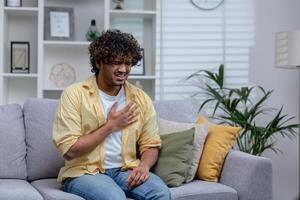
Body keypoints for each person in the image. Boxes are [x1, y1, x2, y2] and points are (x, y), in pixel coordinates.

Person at [52, 29, 170, 200]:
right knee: (114, 197)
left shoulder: (140, 98)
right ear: (99, 62)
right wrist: (110, 126)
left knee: (161, 193)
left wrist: (144, 166)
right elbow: (69, 150)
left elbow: (150, 143)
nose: (123, 69)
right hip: (85, 173)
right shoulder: (74, 94)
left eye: (128, 63)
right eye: (116, 63)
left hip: (125, 170)